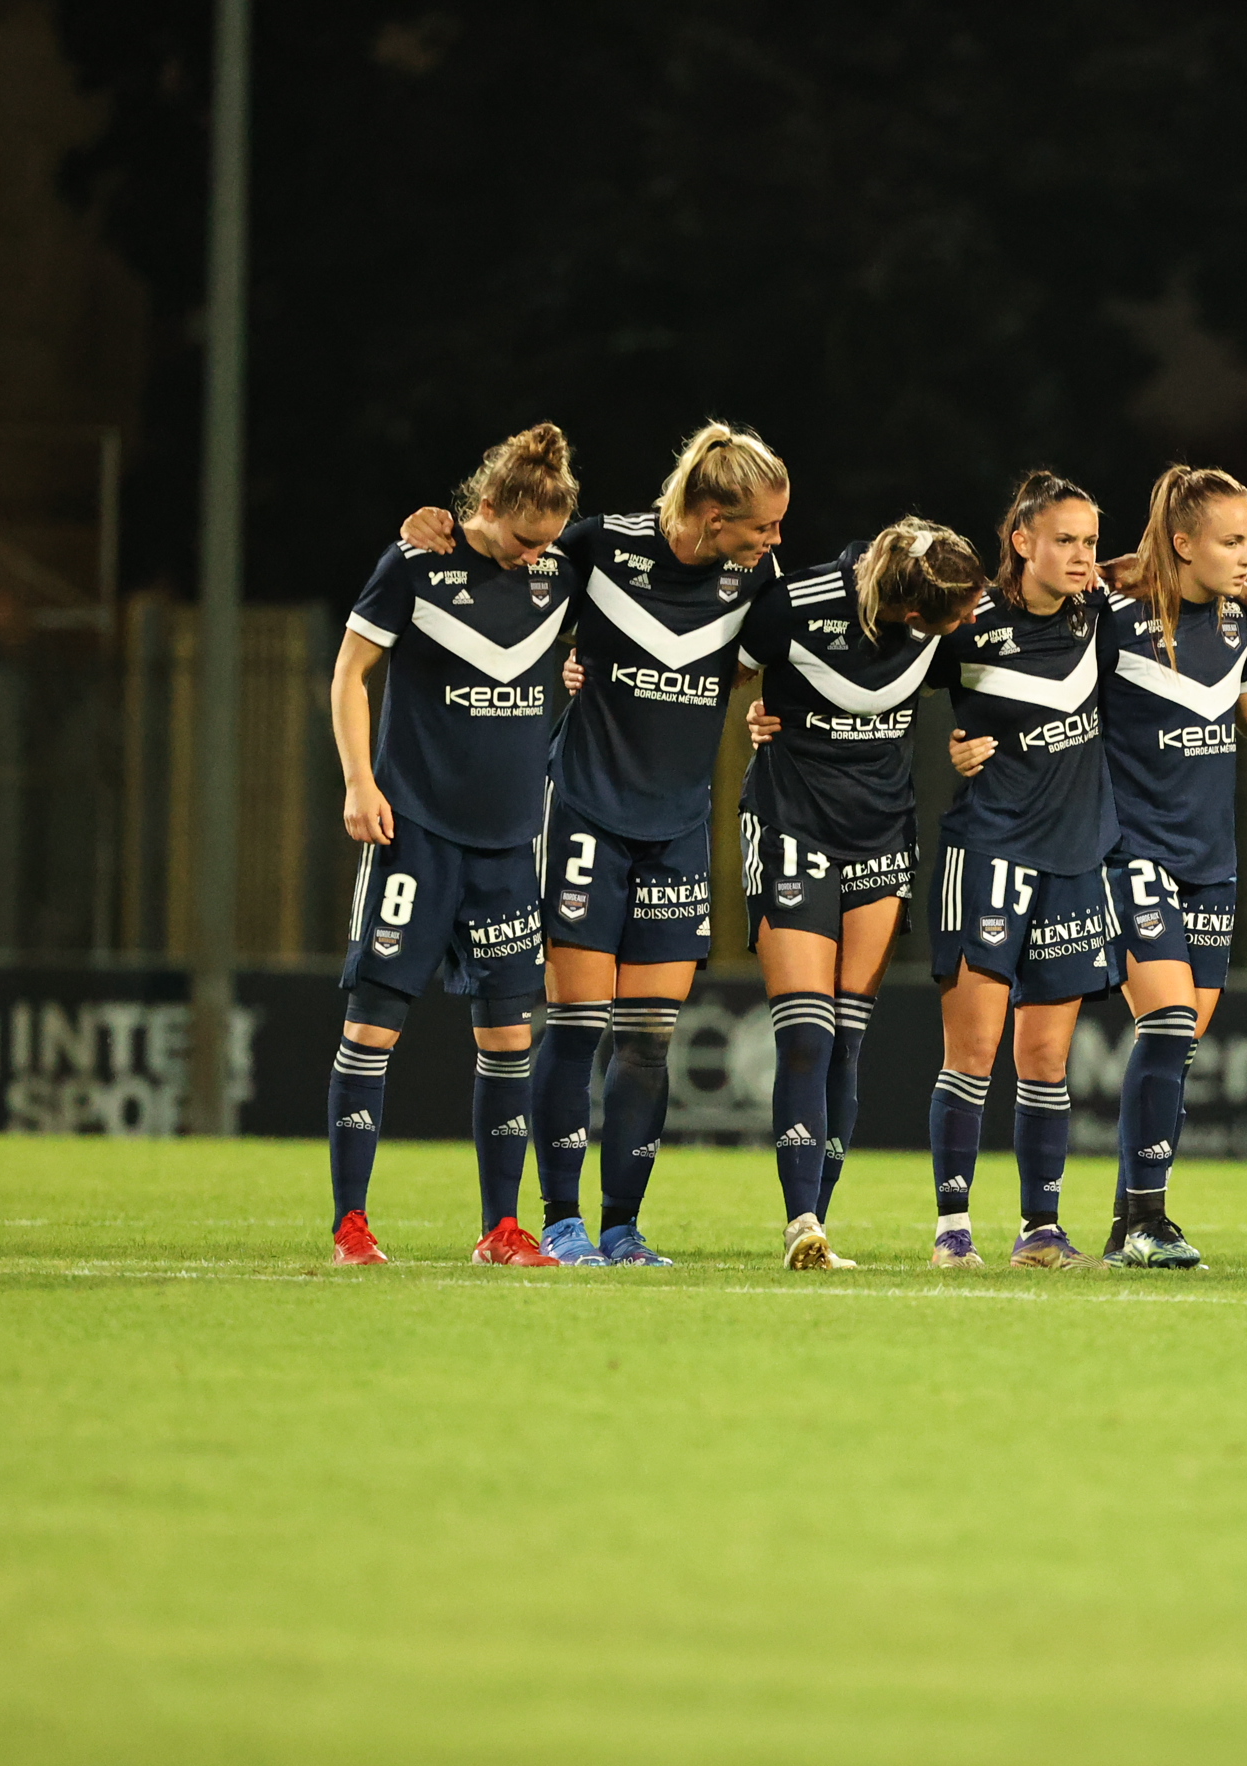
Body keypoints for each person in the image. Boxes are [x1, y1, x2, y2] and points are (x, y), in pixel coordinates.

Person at [396, 422, 789, 1265]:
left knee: (648, 1037)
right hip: (583, 814)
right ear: (715, 515)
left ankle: (622, 1229)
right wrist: (432, 531)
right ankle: (563, 1220)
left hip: (679, 826)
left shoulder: (757, 577)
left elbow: (783, 654)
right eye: (763, 525)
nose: (775, 540)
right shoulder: (601, 547)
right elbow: (504, 569)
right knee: (575, 1027)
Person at [324, 423, 581, 1267]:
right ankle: (352, 1225)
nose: (531, 556)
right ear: (488, 506)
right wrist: (361, 782)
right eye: (521, 538)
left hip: (511, 845)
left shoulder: (555, 576)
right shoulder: (415, 565)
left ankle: (501, 1229)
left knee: (509, 1036)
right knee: (374, 1026)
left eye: (546, 542)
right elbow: (349, 673)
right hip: (416, 834)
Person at [738, 519, 987, 1268]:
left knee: (847, 1036)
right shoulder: (792, 605)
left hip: (882, 837)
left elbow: (1025, 659)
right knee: (807, 1034)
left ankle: (821, 1226)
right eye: (963, 612)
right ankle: (801, 1223)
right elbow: (715, 671)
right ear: (916, 616)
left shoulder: (945, 616)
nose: (978, 617)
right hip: (792, 828)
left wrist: (972, 738)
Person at [919, 472, 1126, 1268]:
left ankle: (1040, 1229)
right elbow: (884, 678)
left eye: (1090, 543)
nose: (1082, 557)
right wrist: (770, 716)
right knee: (971, 1052)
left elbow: (1163, 567)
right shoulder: (966, 623)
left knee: (1044, 1061)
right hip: (990, 852)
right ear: (1022, 541)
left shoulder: (1099, 611)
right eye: (1065, 540)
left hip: (1075, 857)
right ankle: (952, 1229)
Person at [1093, 465, 1247, 1268]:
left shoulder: (1239, 623)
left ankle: (1125, 1226)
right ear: (1183, 542)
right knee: (1170, 1022)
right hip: (1132, 848)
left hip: (1212, 861)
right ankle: (1149, 1222)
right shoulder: (1110, 616)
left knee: (1176, 1044)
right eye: (1232, 540)